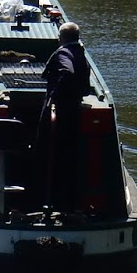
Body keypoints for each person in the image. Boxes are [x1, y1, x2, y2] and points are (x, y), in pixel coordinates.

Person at [40, 20, 94, 214]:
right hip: (74, 111)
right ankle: (68, 203)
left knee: (50, 153)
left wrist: (54, 96)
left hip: (62, 112)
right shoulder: (81, 53)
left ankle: (47, 199)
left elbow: (67, 72)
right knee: (69, 156)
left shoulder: (64, 53)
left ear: (61, 38)